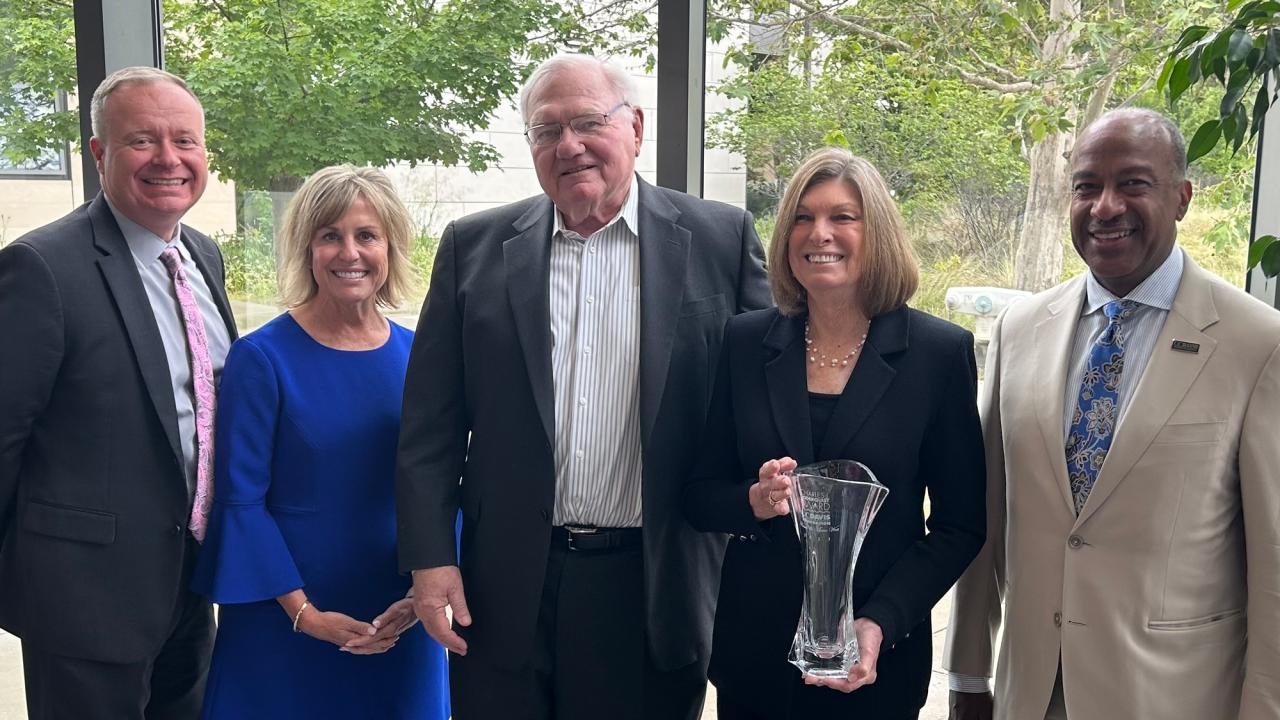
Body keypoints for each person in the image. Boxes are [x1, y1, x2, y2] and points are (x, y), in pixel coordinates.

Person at [395, 53, 770, 720]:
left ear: (636, 128)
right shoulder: (471, 249)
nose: (568, 145)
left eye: (588, 122)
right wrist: (429, 560)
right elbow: (431, 428)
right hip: (505, 586)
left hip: (654, 584)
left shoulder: (720, 239)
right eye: (546, 130)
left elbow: (764, 399)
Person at [945, 108, 1280, 720]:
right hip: (1032, 690)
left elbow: (1275, 562)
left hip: (1175, 696)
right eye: (1085, 186)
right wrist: (969, 673)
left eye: (1133, 183)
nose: (1104, 206)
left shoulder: (1258, 344)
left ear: (1181, 198)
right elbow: (987, 518)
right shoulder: (1019, 330)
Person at [682, 147, 986, 720]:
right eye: (802, 216)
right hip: (756, 660)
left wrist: (882, 621)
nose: (819, 232)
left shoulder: (938, 354)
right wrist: (753, 499)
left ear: (878, 233)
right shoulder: (746, 343)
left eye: (843, 217)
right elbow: (700, 494)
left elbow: (959, 525)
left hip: (875, 661)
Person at [0, 67, 236, 718]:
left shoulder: (203, 258)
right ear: (99, 153)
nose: (169, 158)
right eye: (142, 141)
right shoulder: (41, 269)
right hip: (82, 606)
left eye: (185, 141)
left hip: (189, 588)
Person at [190, 165, 449, 719]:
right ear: (307, 248)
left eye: (366, 235)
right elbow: (241, 502)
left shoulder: (421, 355)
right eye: (330, 235)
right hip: (285, 619)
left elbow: (446, 484)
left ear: (391, 247)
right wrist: (306, 615)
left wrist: (415, 599)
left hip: (398, 615)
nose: (348, 252)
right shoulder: (261, 358)